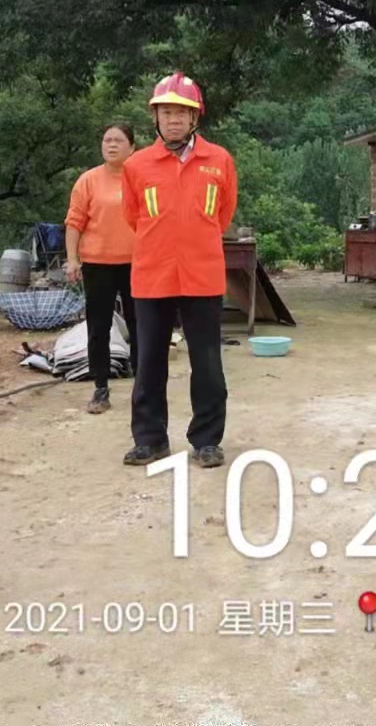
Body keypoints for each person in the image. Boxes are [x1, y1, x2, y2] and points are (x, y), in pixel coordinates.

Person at [121, 73, 238, 469]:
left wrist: (193, 241)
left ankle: (206, 441)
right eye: (167, 112)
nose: (174, 119)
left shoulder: (219, 160)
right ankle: (150, 440)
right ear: (156, 117)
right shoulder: (137, 165)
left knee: (207, 362)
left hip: (202, 275)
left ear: (194, 118)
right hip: (152, 275)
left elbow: (223, 214)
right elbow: (133, 216)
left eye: (181, 113)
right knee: (149, 360)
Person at [64, 122, 139, 414]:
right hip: (97, 264)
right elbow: (74, 222)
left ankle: (143, 386)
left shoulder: (141, 179)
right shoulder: (88, 180)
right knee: (99, 327)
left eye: (118, 140)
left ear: (132, 148)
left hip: (137, 263)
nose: (112, 145)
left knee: (140, 325)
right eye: (107, 140)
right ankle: (100, 388)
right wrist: (72, 259)